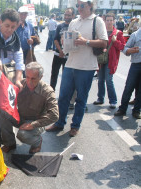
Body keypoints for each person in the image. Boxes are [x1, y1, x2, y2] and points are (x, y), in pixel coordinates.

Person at [46, 0, 108, 137]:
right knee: (63, 97)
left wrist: (85, 41)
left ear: (90, 6)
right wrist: (64, 41)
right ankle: (59, 122)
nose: (79, 8)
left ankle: (75, 126)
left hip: (86, 67)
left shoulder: (97, 21)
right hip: (70, 64)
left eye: (82, 5)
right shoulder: (74, 22)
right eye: (77, 6)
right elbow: (67, 41)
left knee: (81, 99)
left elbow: (104, 41)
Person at [0, 62, 59, 153]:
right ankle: (9, 143)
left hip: (36, 121)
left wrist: (33, 125)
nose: (29, 81)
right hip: (20, 116)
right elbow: (8, 99)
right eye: (27, 77)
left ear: (40, 77)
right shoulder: (21, 83)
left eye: (33, 78)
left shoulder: (47, 91)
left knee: (22, 134)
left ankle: (37, 142)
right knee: (1, 113)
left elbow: (54, 115)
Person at [93, 13, 125, 109]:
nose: (109, 22)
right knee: (100, 80)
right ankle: (100, 98)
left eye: (111, 20)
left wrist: (115, 41)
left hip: (111, 60)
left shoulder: (118, 33)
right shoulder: (101, 32)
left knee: (109, 80)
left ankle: (113, 101)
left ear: (114, 21)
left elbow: (122, 47)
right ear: (105, 21)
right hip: (101, 59)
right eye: (108, 20)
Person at [114, 28, 141, 119]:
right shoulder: (135, 35)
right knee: (129, 86)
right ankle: (122, 109)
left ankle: (137, 110)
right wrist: (130, 50)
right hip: (136, 65)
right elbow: (125, 48)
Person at [50, 7, 75, 90]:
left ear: (73, 15)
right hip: (58, 54)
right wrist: (61, 51)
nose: (67, 17)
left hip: (69, 57)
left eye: (69, 15)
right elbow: (56, 39)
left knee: (66, 77)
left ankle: (63, 95)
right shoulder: (60, 26)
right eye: (66, 15)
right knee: (54, 74)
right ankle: (51, 93)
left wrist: (66, 52)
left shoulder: (75, 27)